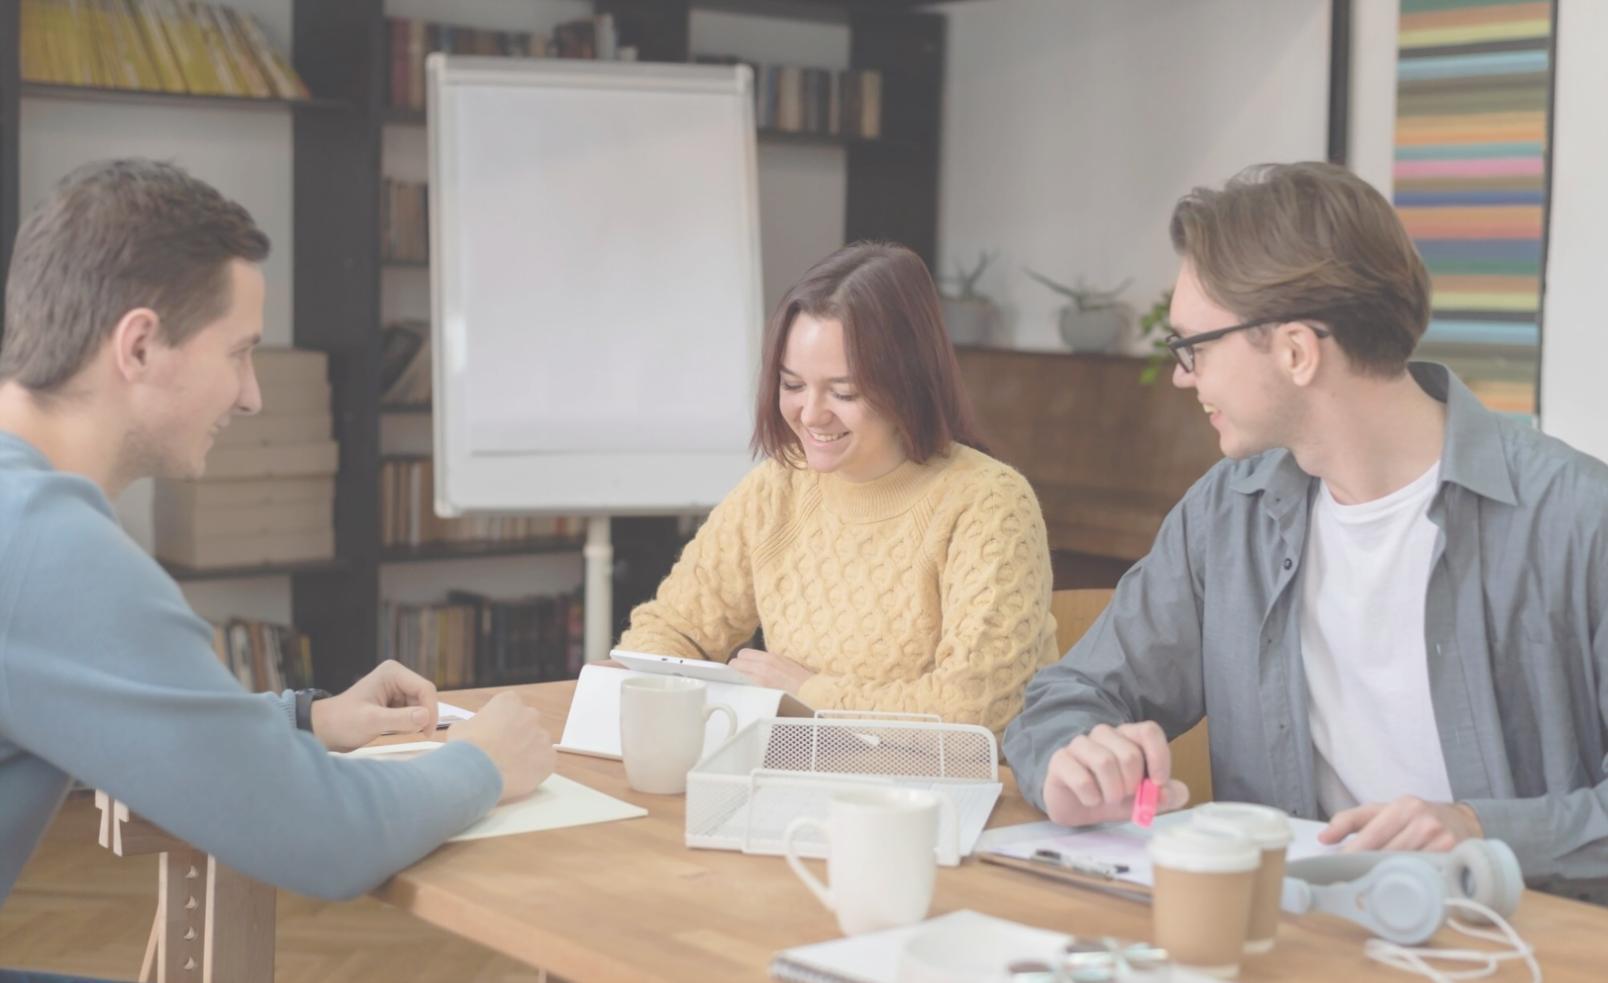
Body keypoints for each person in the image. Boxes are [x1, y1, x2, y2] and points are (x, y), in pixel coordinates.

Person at [1004, 162, 1608, 896]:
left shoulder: (1577, 519)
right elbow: (1067, 695)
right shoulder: (1227, 514)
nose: (1182, 377)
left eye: (1194, 346)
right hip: (1291, 938)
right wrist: (1072, 760)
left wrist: (1482, 830)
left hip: (1520, 948)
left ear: (1296, 351)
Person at [0, 159, 556, 941]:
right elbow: (325, 837)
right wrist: (484, 761)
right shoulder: (48, 546)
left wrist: (310, 718)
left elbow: (111, 712)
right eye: (238, 351)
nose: (253, 394)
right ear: (140, 347)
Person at [618, 242, 1058, 736]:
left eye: (844, 392)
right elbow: (670, 630)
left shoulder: (989, 503)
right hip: (803, 773)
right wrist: (662, 686)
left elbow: (975, 709)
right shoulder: (776, 488)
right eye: (792, 384)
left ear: (907, 380)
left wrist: (808, 692)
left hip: (952, 799)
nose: (810, 414)